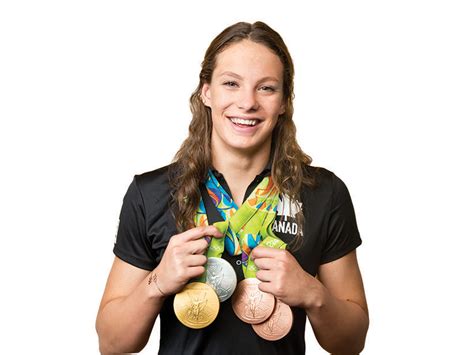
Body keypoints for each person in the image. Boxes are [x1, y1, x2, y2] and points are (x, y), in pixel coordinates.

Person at [96, 21, 369, 355]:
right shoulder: (150, 193)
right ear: (206, 92)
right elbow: (111, 344)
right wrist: (158, 282)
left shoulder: (324, 193)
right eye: (231, 84)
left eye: (266, 88)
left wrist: (312, 293)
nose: (247, 102)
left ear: (284, 100)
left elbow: (351, 343)